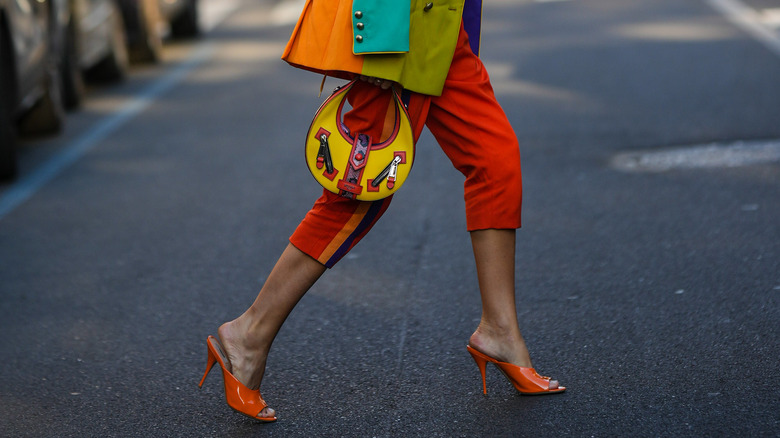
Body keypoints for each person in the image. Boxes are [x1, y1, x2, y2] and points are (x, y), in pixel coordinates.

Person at [198, 0, 565, 422]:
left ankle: (500, 332)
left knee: (495, 162)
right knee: (360, 190)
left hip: (440, 28)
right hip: (397, 26)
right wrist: (377, 39)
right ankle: (249, 334)